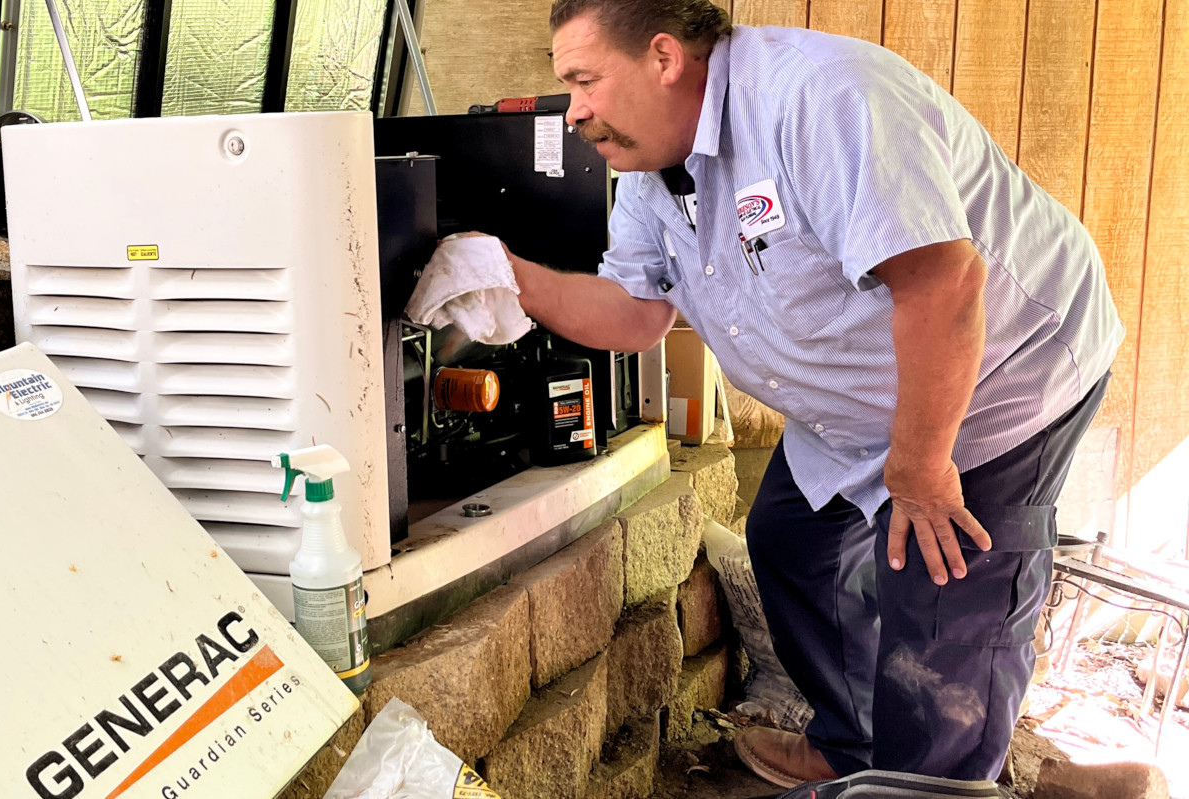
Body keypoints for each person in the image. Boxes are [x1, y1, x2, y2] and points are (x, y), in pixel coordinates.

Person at [479, 0, 1122, 786]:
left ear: (662, 57)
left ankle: (935, 780)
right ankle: (854, 749)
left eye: (583, 81)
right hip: (854, 410)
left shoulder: (822, 99)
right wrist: (506, 280)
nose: (573, 110)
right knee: (793, 544)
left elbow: (946, 286)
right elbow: (636, 313)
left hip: (1000, 379)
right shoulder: (654, 174)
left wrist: (919, 468)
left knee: (943, 624)